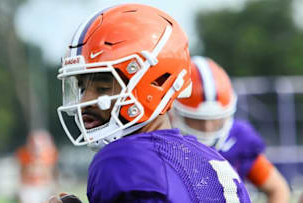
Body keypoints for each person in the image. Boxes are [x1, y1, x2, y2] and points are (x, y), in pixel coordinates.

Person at [51, 4, 251, 203]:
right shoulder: (212, 159)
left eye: (103, 88)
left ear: (156, 82)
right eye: (82, 87)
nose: (85, 101)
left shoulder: (122, 159)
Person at [170, 56, 290, 203]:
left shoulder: (239, 138)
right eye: (197, 120)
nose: (207, 128)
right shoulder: (163, 143)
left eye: (215, 119)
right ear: (174, 112)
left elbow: (277, 188)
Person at [16, 130, 59, 203]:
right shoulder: (25, 155)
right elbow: (22, 173)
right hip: (29, 187)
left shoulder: (49, 155)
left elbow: (51, 173)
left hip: (44, 187)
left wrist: (54, 187)